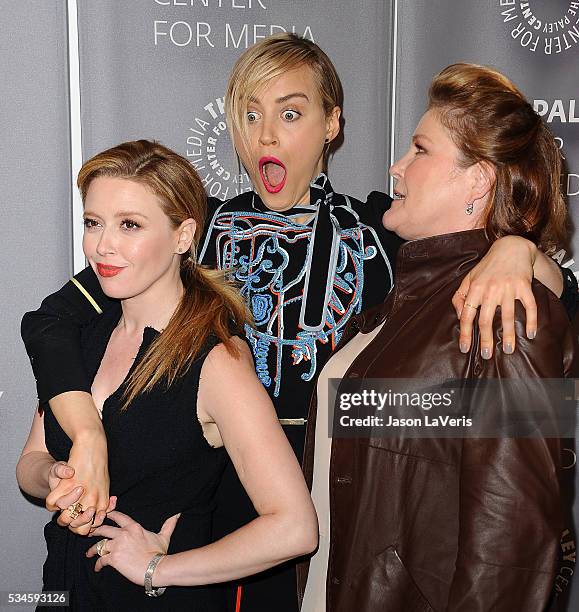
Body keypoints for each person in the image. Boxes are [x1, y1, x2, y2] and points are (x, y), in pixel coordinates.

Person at [20, 35, 576, 612]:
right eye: (249, 115)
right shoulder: (194, 230)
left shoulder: (378, 233)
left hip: (347, 510)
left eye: (290, 113)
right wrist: (84, 430)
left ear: (332, 124)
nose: (265, 136)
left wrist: (515, 248)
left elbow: (550, 323)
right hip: (218, 523)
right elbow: (48, 322)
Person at [300, 63, 577, 612]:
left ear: (478, 179)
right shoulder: (394, 313)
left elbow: (512, 543)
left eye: (420, 150)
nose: (396, 167)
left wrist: (523, 250)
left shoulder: (506, 314)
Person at [16, 140, 318, 611]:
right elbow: (30, 463)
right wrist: (58, 477)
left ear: (183, 236)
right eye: (93, 223)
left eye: (129, 225)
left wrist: (159, 569)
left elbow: (295, 528)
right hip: (63, 591)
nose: (102, 245)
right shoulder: (78, 337)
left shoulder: (218, 362)